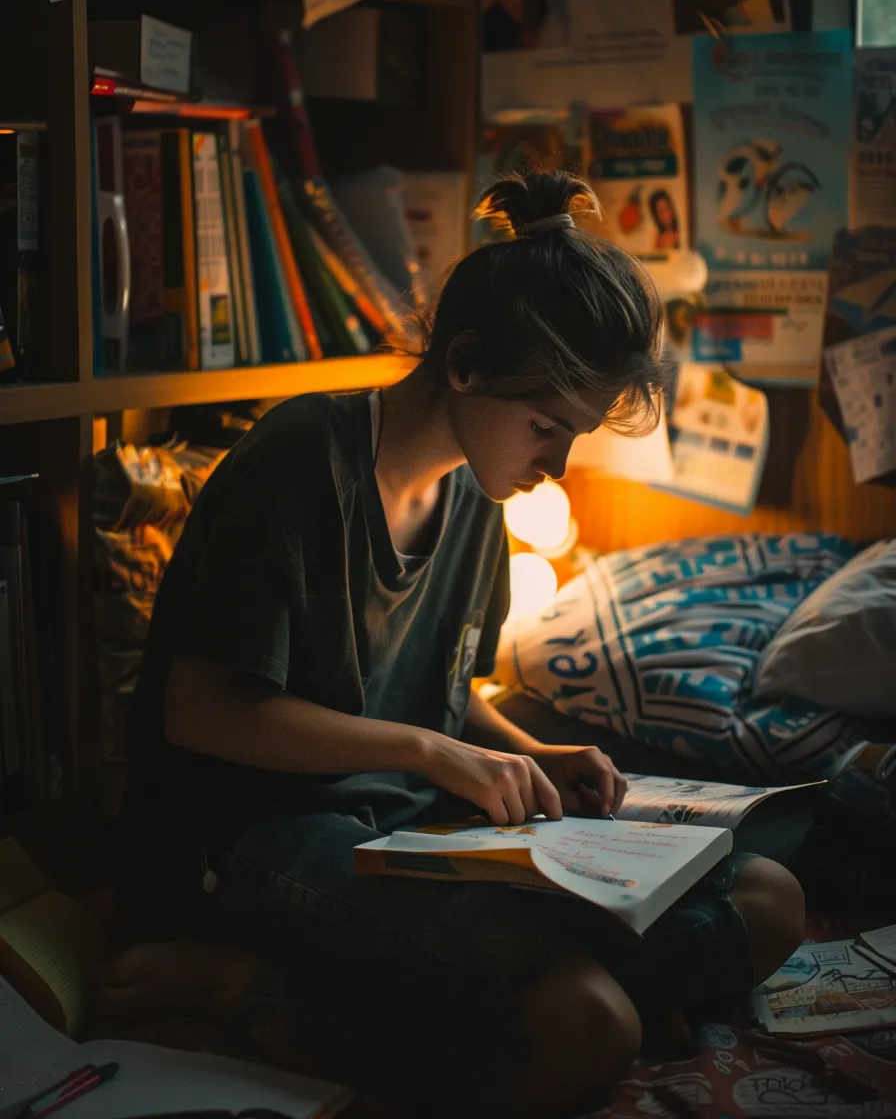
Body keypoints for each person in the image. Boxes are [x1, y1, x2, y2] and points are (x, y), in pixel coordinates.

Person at [103, 172, 804, 1119]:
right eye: (548, 427)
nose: (555, 464)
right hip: (254, 838)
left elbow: (440, 693)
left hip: (407, 827)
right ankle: (242, 984)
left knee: (769, 897)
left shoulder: (478, 492)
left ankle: (523, 997)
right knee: (591, 1027)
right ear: (465, 365)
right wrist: (435, 753)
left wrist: (529, 751)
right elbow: (201, 712)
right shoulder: (300, 459)